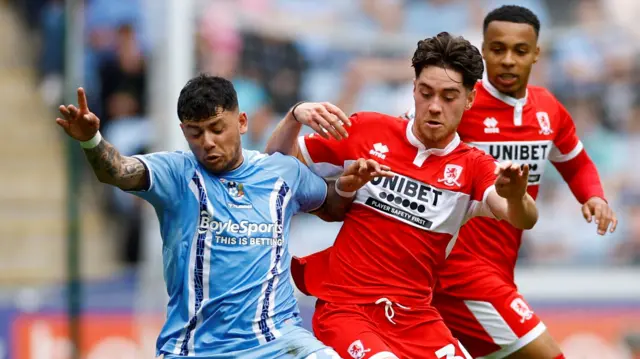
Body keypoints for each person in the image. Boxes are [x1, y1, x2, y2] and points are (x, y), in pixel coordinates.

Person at [55, 74, 392, 359]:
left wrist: (348, 186)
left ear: (241, 122)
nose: (208, 143)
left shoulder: (281, 172)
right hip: (197, 346)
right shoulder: (177, 173)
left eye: (217, 128)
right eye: (195, 133)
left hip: (276, 340)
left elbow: (331, 205)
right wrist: (91, 141)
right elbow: (119, 171)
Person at [265, 32, 539, 359]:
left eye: (449, 96)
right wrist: (295, 117)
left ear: (469, 98)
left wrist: (517, 195)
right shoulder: (366, 130)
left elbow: (521, 216)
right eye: (426, 93)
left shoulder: (474, 167)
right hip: (347, 311)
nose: (435, 107)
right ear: (414, 89)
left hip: (416, 318)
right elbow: (274, 165)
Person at [400, 6, 618, 358]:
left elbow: (576, 162)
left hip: (500, 266)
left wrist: (594, 197)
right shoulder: (459, 102)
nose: (507, 60)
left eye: (519, 51)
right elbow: (405, 142)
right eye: (497, 49)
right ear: (483, 50)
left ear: (536, 54)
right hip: (458, 268)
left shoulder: (548, 109)